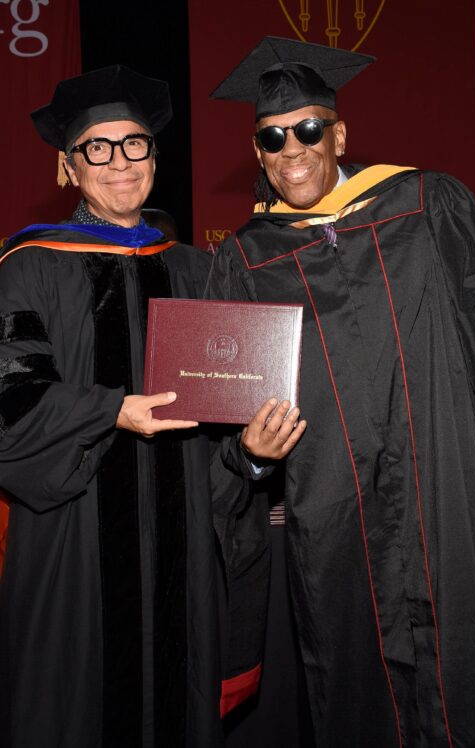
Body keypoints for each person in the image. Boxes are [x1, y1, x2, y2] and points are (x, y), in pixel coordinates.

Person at [0, 64, 307, 748]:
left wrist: (252, 457)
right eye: (97, 148)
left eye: (135, 144)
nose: (119, 162)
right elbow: (12, 406)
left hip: (184, 552)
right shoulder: (26, 269)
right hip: (74, 547)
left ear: (155, 159)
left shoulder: (201, 272)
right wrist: (115, 411)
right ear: (66, 167)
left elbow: (222, 437)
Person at [207, 36, 475, 748]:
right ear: (258, 152)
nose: (292, 148)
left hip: (446, 492)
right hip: (332, 505)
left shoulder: (427, 205)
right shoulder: (245, 258)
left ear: (339, 132)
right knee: (351, 672)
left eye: (308, 129)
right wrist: (245, 453)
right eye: (272, 137)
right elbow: (224, 414)